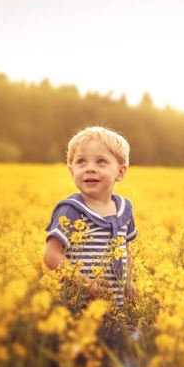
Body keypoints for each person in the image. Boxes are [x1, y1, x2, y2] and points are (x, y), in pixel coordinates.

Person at [44, 126, 137, 307]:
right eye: (81, 162)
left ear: (120, 171)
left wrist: (128, 280)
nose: (90, 169)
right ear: (72, 171)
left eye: (101, 162)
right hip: (77, 308)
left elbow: (126, 248)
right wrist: (84, 282)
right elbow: (51, 255)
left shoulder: (124, 209)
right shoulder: (71, 210)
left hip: (114, 308)